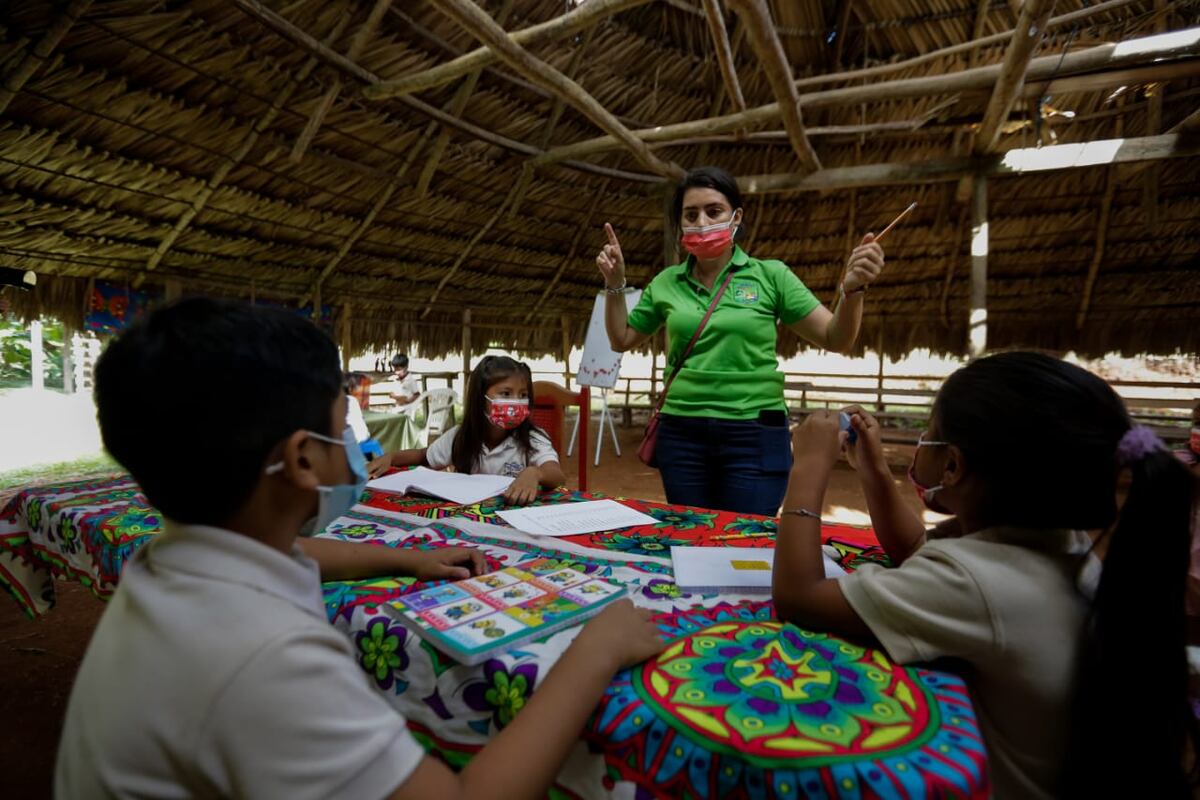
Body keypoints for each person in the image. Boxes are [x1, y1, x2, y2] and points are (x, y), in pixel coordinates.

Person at [56, 298, 665, 799]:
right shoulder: (269, 659)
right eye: (344, 425)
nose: (357, 445)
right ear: (300, 458)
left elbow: (306, 554)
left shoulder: (177, 557)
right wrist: (593, 652)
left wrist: (408, 558)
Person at [771, 351, 1197, 799]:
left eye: (929, 433)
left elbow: (799, 596)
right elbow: (919, 551)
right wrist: (875, 472)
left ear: (952, 465)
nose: (922, 441)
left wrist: (810, 465)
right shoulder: (1063, 545)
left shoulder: (974, 584)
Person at [597, 165, 885, 516]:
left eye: (713, 211)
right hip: (682, 434)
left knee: (748, 538)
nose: (702, 221)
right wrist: (616, 284)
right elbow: (621, 338)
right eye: (691, 214)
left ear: (736, 218)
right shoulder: (666, 283)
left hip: (754, 434)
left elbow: (835, 337)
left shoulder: (771, 275)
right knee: (693, 538)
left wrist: (852, 289)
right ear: (680, 224)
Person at [368, 355, 566, 505]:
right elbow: (422, 456)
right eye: (506, 393)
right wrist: (391, 458)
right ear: (481, 398)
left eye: (523, 394)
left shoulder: (532, 438)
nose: (515, 401)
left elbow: (555, 474)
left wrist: (535, 473)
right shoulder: (460, 436)